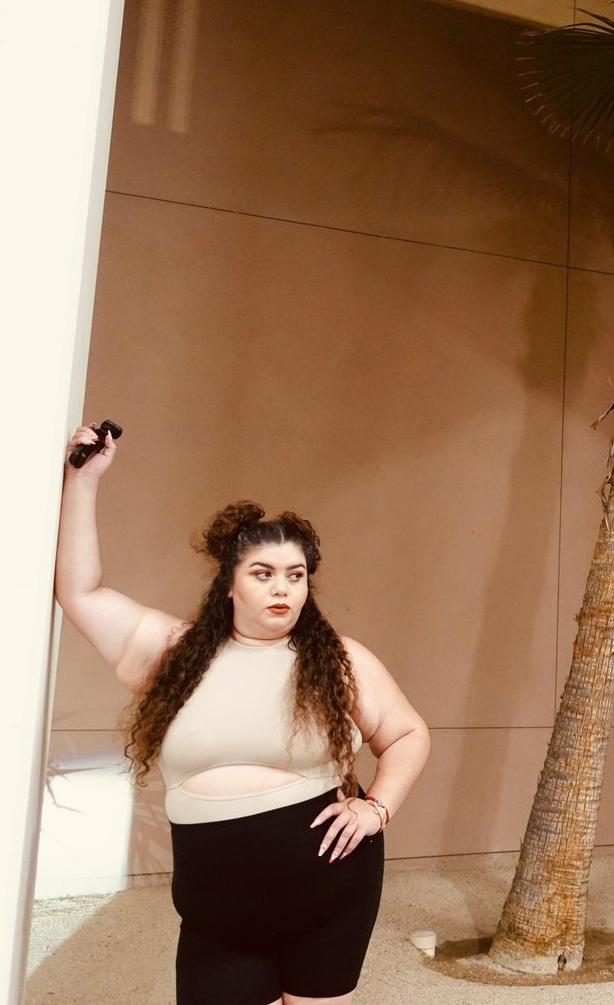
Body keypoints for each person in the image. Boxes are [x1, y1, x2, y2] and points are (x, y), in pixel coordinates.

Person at [54, 422, 430, 1005]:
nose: (283, 588)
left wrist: (376, 808)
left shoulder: (338, 660)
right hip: (217, 911)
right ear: (228, 585)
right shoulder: (172, 652)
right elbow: (80, 592)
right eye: (263, 573)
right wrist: (82, 481)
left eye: (296, 575)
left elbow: (407, 733)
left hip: (329, 895)